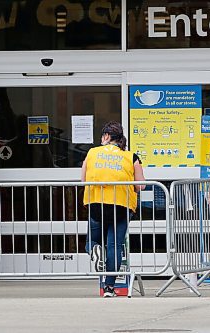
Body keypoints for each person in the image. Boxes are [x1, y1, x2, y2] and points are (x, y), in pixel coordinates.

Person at [81, 121, 145, 297]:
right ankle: (109, 288)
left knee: (91, 242)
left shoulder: (92, 153)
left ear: (107, 137)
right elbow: (140, 186)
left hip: (96, 204)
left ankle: (95, 249)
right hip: (121, 206)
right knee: (115, 246)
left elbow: (82, 178)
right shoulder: (131, 156)